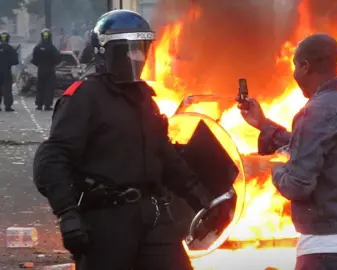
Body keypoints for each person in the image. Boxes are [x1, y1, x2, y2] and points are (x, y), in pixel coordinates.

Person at [33, 10, 221, 270]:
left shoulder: (145, 98)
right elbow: (52, 159)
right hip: (107, 218)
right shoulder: (84, 98)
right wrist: (67, 213)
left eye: (142, 49)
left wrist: (200, 197)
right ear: (104, 51)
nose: (137, 57)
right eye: (129, 50)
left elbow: (165, 155)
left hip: (154, 214)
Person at [238, 33, 337, 270]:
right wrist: (263, 125)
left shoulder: (315, 111)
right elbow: (313, 147)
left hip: (328, 250)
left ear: (305, 67)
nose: (295, 74)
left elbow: (296, 184)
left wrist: (273, 165)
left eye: (295, 66)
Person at [31, 29, 61, 111]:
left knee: (40, 87)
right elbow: (58, 58)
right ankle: (47, 105)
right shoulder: (52, 48)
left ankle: (39, 104)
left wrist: (39, 65)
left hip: (41, 70)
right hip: (50, 70)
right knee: (49, 88)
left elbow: (33, 59)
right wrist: (53, 64)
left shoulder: (37, 47)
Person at [0, 32, 19, 111]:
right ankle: (8, 106)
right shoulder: (11, 49)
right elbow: (15, 61)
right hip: (6, 71)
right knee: (7, 89)